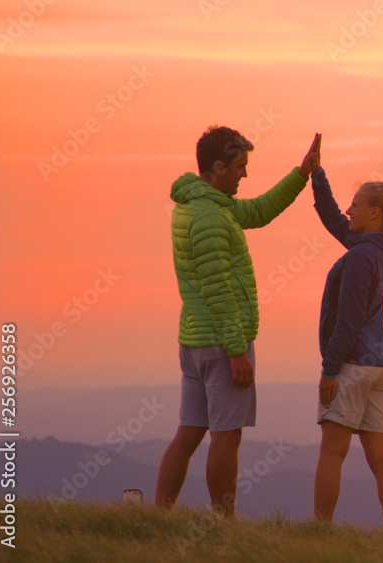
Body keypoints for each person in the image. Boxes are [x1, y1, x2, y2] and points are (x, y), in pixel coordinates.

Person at [155, 126, 320, 516]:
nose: (244, 174)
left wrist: (301, 174)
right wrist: (236, 351)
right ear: (218, 167)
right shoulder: (211, 218)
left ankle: (157, 514)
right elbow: (218, 289)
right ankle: (223, 523)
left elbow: (259, 211)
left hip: (194, 340)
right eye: (239, 166)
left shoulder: (200, 204)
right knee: (226, 438)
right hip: (222, 344)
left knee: (189, 432)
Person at [310, 136, 383, 532]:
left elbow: (349, 321)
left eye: (355, 203)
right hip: (382, 365)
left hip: (353, 364)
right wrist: (316, 175)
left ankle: (320, 531)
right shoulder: (377, 248)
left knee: (333, 452)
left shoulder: (359, 257)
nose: (348, 208)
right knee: (381, 457)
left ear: (373, 213)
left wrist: (330, 370)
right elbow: (336, 220)